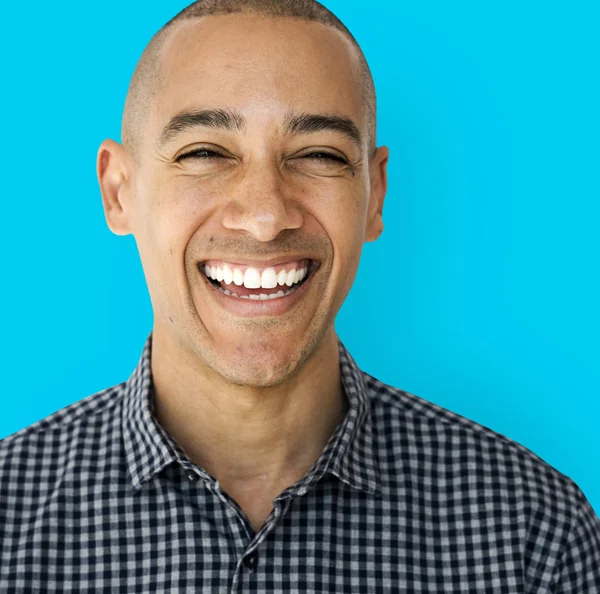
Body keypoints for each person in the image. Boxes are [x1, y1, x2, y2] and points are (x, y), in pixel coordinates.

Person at [1, 0, 599, 591]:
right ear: (118, 191)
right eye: (205, 153)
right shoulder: (8, 517)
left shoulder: (534, 535)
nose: (265, 216)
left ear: (374, 194)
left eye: (319, 155)